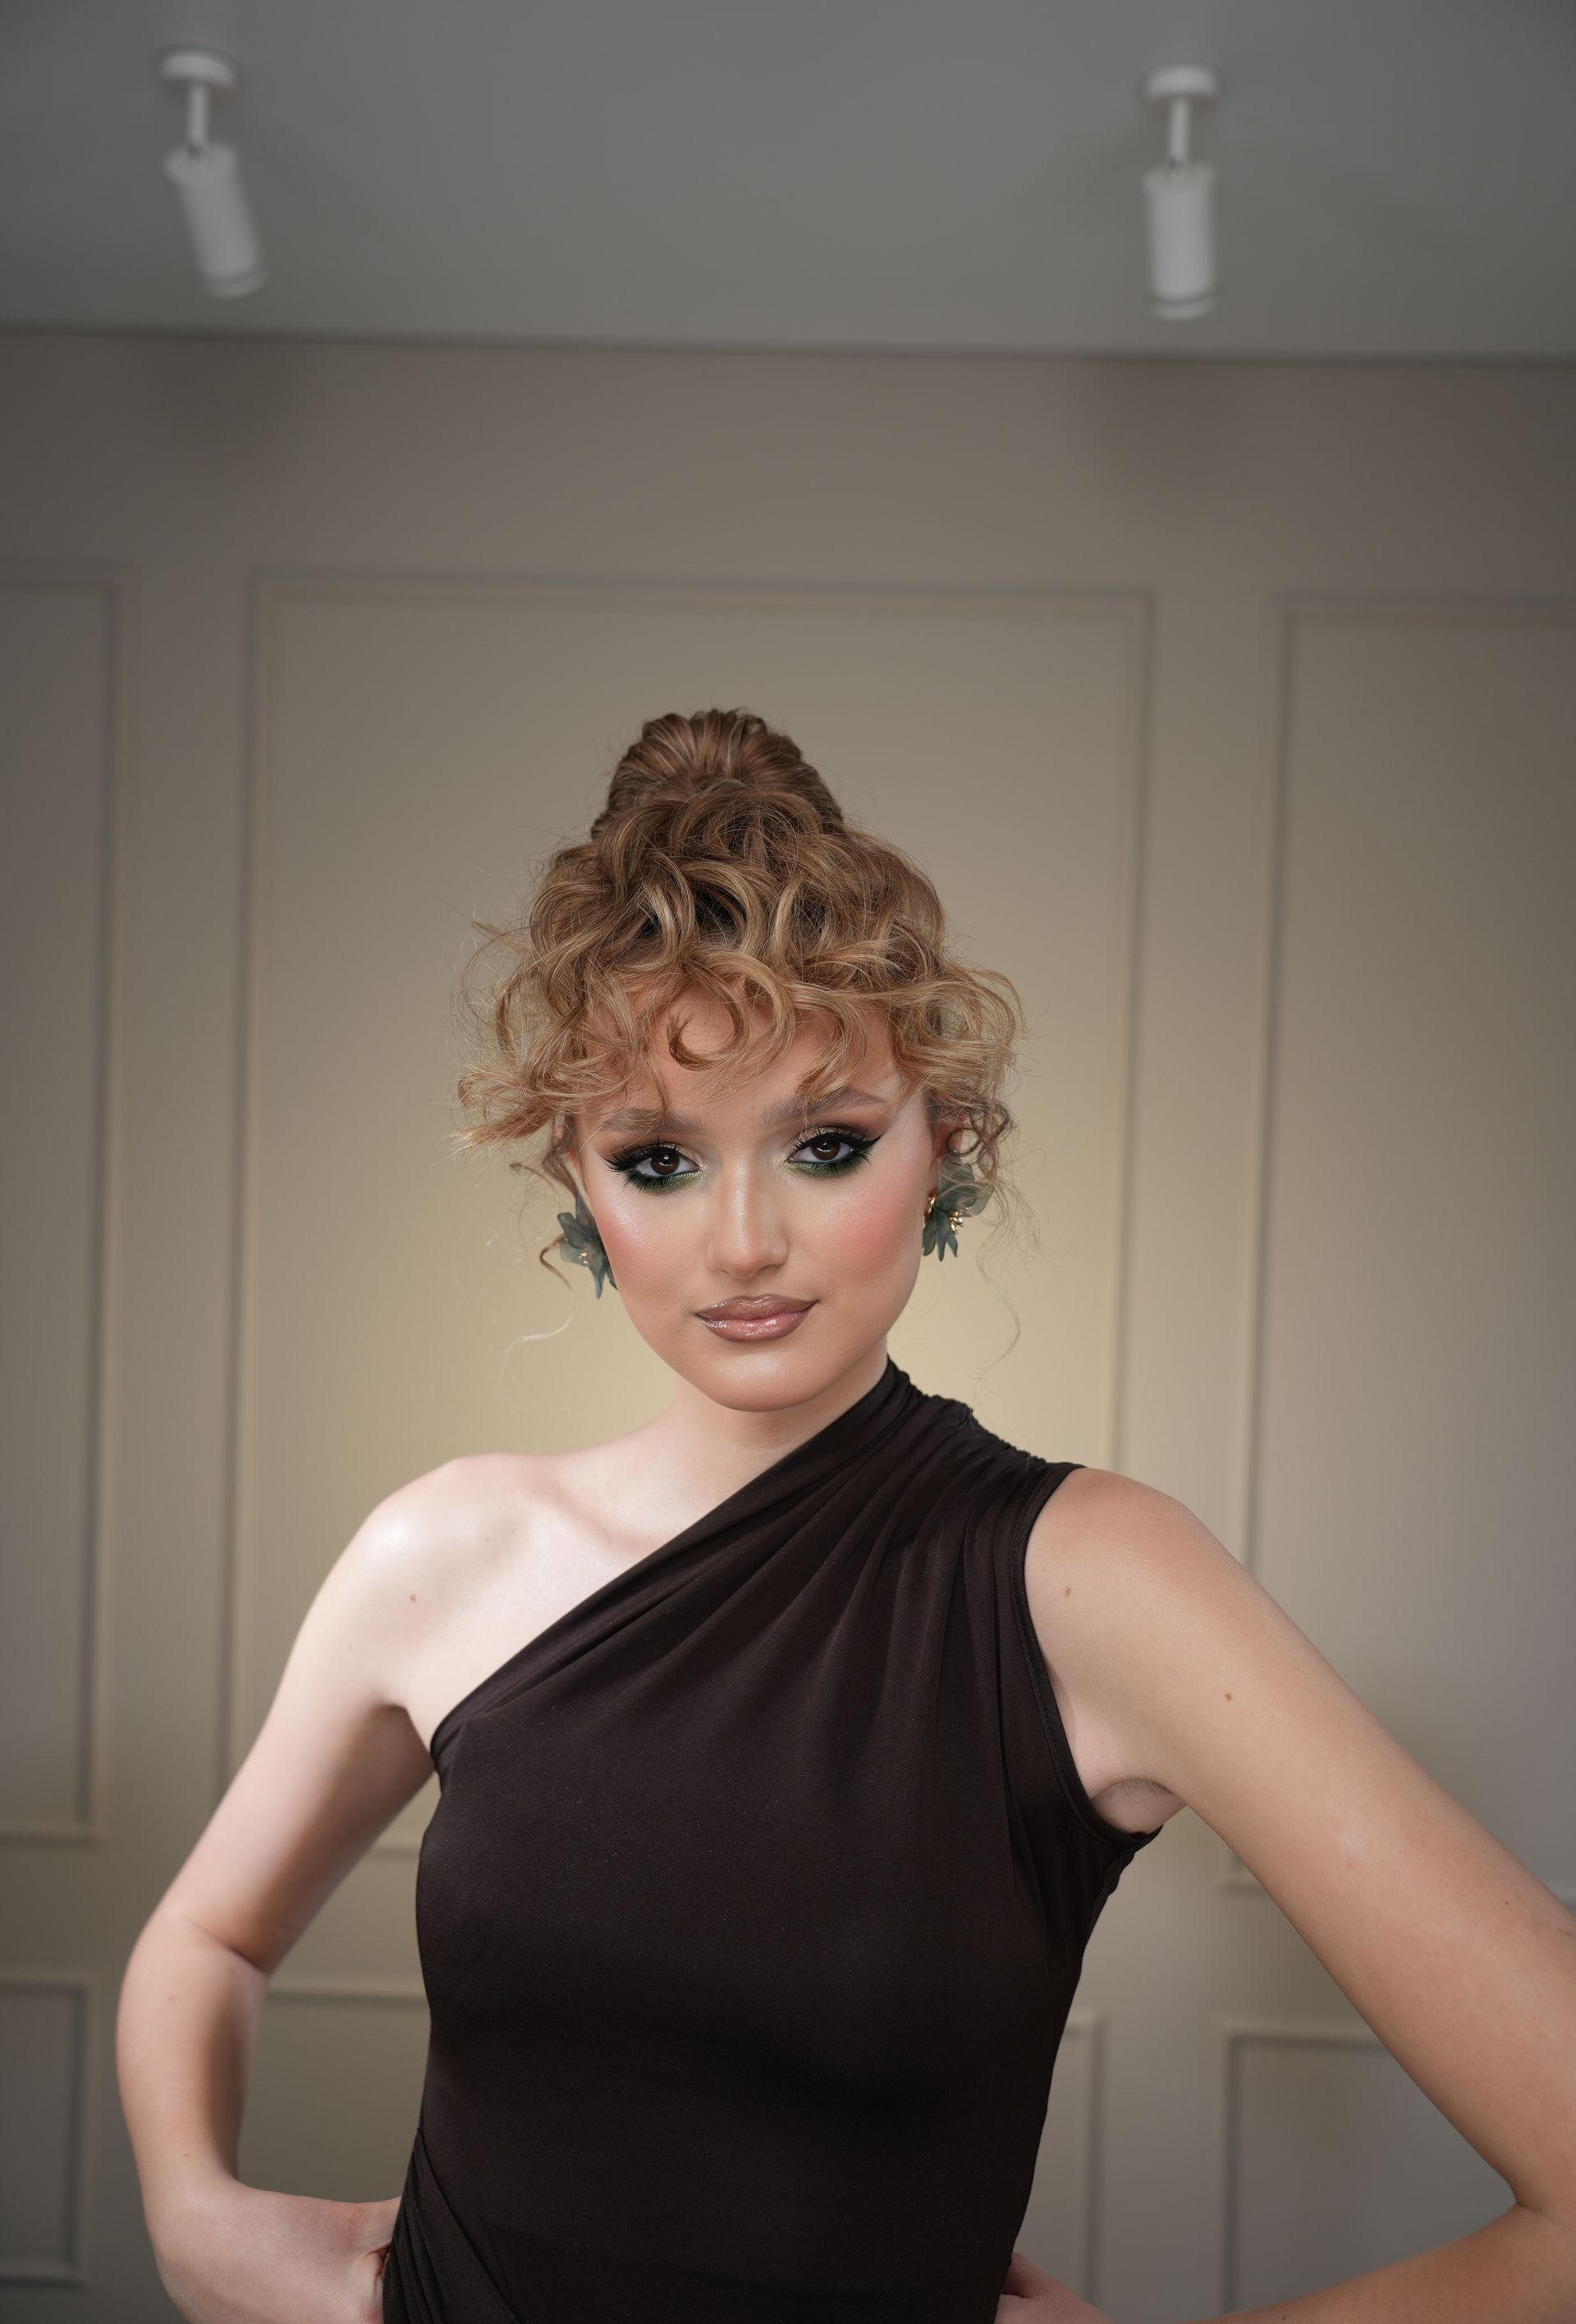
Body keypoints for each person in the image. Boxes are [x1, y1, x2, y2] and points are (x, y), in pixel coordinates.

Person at [117, 711, 1576, 2324]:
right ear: (578, 1186)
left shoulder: (1093, 1585)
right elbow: (206, 1942)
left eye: (824, 1146)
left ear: (943, 1141)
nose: (745, 1241)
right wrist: (196, 2220)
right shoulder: (444, 1557)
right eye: (659, 1157)